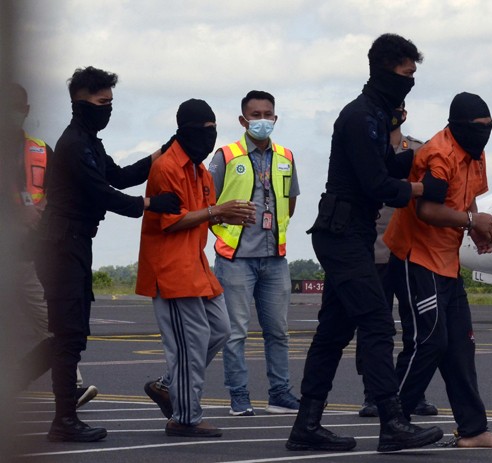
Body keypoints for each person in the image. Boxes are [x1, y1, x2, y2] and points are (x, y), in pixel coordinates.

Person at [286, 33, 443, 453]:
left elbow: (386, 165)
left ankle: (307, 424)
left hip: (349, 232)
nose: (410, 82)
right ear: (386, 69)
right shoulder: (359, 117)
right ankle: (392, 422)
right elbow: (376, 182)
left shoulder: (375, 114)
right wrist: (420, 189)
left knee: (333, 332)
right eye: (407, 74)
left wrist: (422, 155)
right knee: (376, 322)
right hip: (342, 233)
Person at [35, 66, 181, 442]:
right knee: (68, 335)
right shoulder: (73, 144)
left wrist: (161, 152)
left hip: (75, 245)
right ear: (80, 103)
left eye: (111, 102)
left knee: (68, 335)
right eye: (102, 102)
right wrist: (152, 203)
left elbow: (119, 175)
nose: (109, 109)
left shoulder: (90, 142)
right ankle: (63, 421)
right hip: (61, 247)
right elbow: (103, 193)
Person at [384, 92, 492, 449]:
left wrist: (475, 228)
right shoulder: (438, 154)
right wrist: (472, 219)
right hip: (416, 257)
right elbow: (427, 209)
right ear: (458, 126)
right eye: (478, 127)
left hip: (447, 260)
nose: (484, 133)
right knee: (429, 340)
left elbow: (468, 194)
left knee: (460, 345)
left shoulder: (474, 153)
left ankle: (473, 430)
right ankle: (394, 422)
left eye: (489, 127)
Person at [136, 99, 256, 438]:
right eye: (204, 129)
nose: (210, 136)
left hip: (196, 265)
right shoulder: (167, 167)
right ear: (185, 129)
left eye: (213, 129)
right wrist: (218, 211)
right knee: (191, 343)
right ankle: (185, 418)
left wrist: (225, 214)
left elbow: (204, 214)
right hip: (171, 270)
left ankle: (166, 386)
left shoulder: (199, 170)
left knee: (220, 329)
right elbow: (170, 222)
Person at [3, 82, 97, 407]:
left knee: (51, 325)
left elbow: (62, 192)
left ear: (26, 112)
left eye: (17, 108)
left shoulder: (42, 150)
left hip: (30, 258)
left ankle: (72, 385)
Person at [208, 90, 300, 416]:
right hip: (235, 257)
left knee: (278, 331)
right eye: (256, 115)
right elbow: (207, 202)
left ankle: (280, 394)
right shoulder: (225, 156)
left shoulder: (286, 156)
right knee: (235, 334)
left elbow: (290, 200)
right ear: (243, 120)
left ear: (275, 117)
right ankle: (239, 396)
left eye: (268, 114)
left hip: (275, 256)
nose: (262, 120)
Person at [356, 101, 437, 418]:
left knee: (415, 327)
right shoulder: (365, 150)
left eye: (399, 107)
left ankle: (413, 392)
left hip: (408, 251)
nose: (395, 113)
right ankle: (373, 393)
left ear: (405, 113)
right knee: (375, 327)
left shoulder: (418, 150)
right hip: (374, 251)